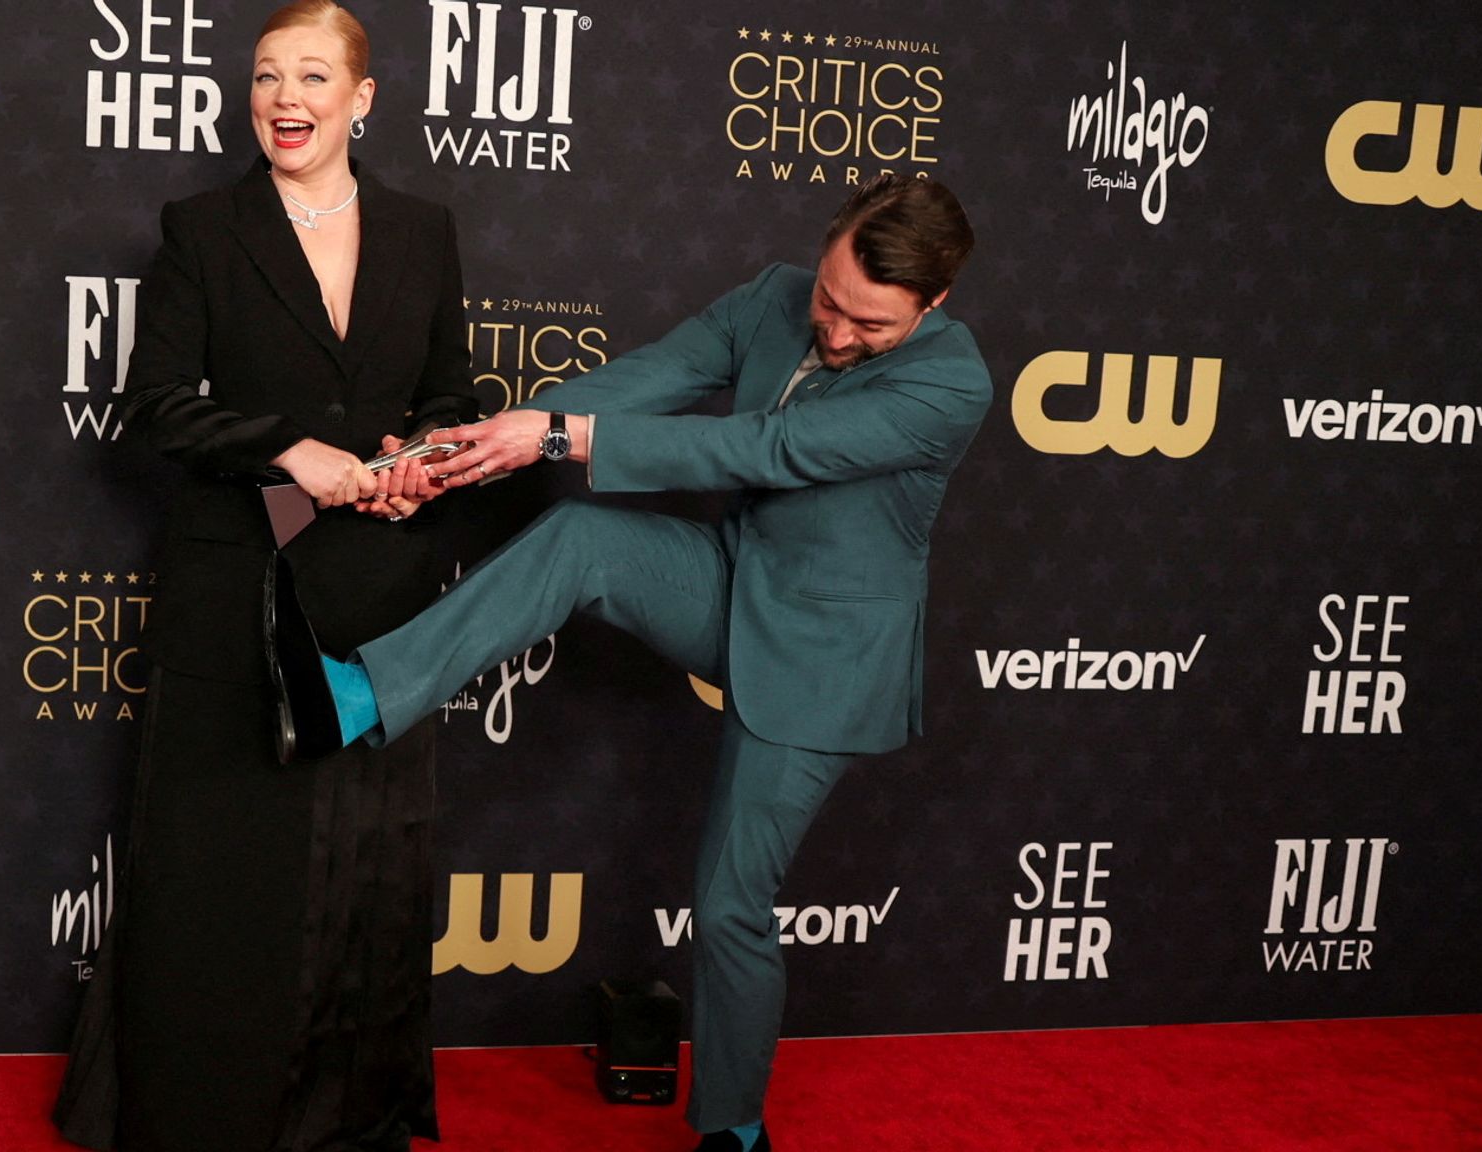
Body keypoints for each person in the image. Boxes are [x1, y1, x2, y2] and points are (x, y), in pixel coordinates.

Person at [288, 173, 990, 1152]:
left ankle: (733, 1130)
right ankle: (363, 692)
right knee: (582, 538)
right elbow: (642, 382)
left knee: (729, 907)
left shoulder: (949, 385)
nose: (832, 331)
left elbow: (768, 447)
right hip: (731, 581)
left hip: (823, 658)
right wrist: (488, 445)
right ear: (823, 248)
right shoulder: (774, 296)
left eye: (868, 324)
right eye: (829, 300)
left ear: (934, 303)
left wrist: (564, 437)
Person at [53, 3, 475, 1149]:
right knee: (226, 866)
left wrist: (414, 460)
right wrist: (290, 448)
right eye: (264, 79)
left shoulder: (424, 230)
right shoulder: (201, 226)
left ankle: (350, 1111)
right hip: (236, 587)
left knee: (362, 854)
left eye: (310, 77)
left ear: (363, 97)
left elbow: (449, 389)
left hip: (379, 583)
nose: (284, 100)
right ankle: (207, 1111)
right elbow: (157, 406)